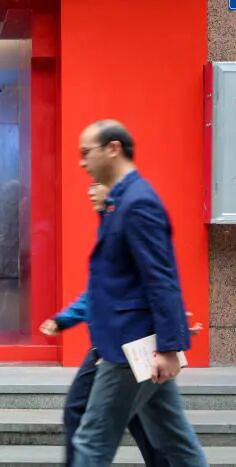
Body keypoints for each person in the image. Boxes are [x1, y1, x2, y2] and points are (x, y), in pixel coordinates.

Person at [68, 120, 207, 467]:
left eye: (86, 152)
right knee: (175, 442)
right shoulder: (120, 202)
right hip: (133, 345)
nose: (82, 162)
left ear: (113, 148)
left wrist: (170, 348)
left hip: (131, 347)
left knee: (91, 441)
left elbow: (161, 278)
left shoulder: (139, 202)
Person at [40, 183, 171, 467]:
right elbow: (98, 293)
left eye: (96, 185)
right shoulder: (111, 226)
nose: (89, 191)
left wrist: (170, 332)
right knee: (138, 417)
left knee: (85, 410)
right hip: (116, 342)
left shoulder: (127, 226)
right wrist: (64, 319)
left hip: (126, 343)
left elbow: (158, 283)